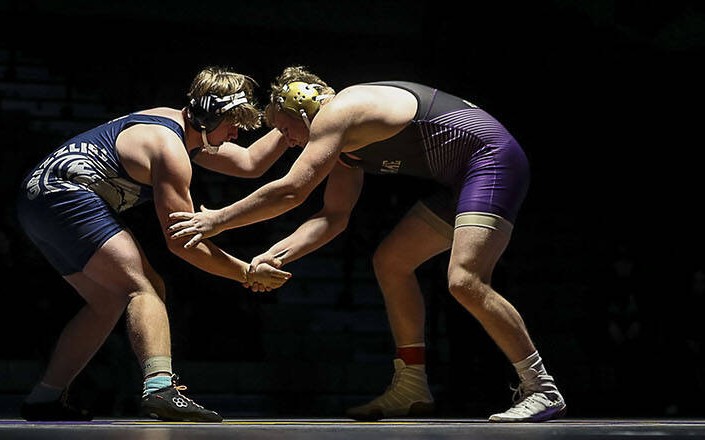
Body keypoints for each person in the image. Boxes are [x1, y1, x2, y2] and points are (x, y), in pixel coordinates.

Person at [168, 67, 565, 422]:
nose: (286, 139)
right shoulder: (345, 145)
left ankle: (541, 387)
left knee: (464, 279)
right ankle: (411, 384)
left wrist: (216, 219)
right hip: (463, 179)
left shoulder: (340, 110)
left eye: (285, 128)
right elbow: (332, 217)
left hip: (492, 161)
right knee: (391, 262)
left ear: (303, 106)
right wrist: (276, 253)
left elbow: (291, 191)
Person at [16, 67, 293, 422]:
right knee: (143, 287)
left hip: (35, 201)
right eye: (232, 123)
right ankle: (160, 389)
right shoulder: (170, 150)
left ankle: (44, 397)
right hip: (64, 196)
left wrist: (288, 132)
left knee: (108, 300)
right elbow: (182, 243)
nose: (235, 132)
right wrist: (246, 273)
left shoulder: (173, 124)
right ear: (209, 115)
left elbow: (250, 163)